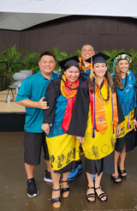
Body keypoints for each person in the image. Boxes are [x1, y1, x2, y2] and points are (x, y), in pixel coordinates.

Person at [68, 52, 124, 203]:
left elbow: (116, 105)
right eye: (97, 66)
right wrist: (79, 132)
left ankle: (98, 186)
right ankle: (90, 186)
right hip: (91, 130)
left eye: (102, 66)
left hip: (108, 131)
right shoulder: (86, 86)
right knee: (92, 159)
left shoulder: (110, 85)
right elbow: (79, 109)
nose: (100, 68)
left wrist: (117, 123)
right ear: (93, 69)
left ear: (106, 68)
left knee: (104, 158)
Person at [42, 56, 82, 208]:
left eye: (76, 72)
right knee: (57, 159)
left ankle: (65, 181)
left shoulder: (81, 85)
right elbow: (49, 104)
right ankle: (56, 187)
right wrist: (46, 122)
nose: (73, 75)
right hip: (57, 128)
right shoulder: (55, 84)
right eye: (70, 72)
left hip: (74, 128)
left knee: (70, 158)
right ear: (64, 72)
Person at [16, 51, 58, 197]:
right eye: (44, 61)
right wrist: (37, 105)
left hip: (54, 126)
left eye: (51, 62)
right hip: (34, 125)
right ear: (39, 64)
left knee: (51, 153)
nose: (48, 64)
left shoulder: (59, 79)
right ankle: (30, 180)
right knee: (31, 156)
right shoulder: (30, 81)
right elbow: (20, 99)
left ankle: (49, 174)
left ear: (55, 64)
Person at [67, 44, 95, 181]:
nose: (87, 52)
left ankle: (92, 167)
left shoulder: (97, 66)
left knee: (89, 136)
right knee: (75, 138)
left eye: (90, 50)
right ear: (81, 52)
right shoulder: (75, 66)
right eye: (85, 50)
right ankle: (76, 164)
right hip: (74, 105)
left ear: (94, 53)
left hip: (92, 106)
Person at [111, 52, 137, 184]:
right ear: (117, 65)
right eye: (121, 63)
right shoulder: (112, 78)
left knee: (126, 142)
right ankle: (114, 169)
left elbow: (134, 96)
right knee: (118, 144)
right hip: (118, 115)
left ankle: (122, 165)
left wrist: (134, 117)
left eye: (126, 63)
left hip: (130, 115)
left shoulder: (131, 76)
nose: (124, 66)